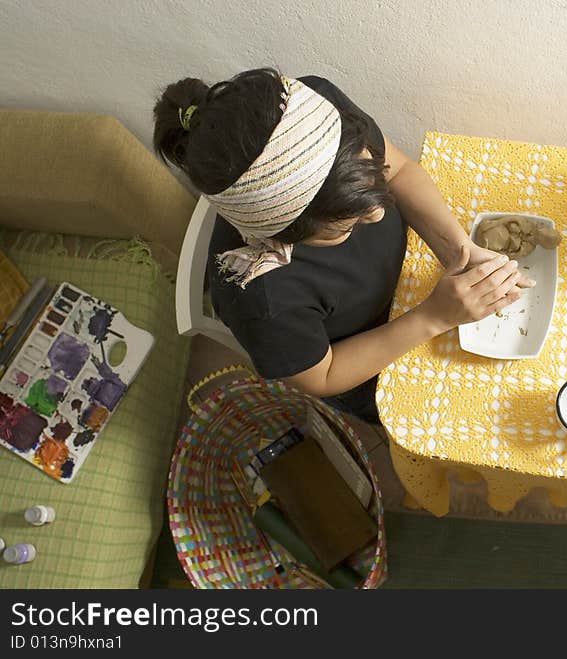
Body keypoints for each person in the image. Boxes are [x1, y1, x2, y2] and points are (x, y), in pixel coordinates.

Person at [153, 68, 533, 423]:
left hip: (418, 294)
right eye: (346, 224)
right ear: (286, 234)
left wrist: (456, 248)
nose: (379, 215)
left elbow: (399, 170)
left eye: (370, 181)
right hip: (359, 357)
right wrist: (433, 317)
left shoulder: (317, 111)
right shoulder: (259, 296)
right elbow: (324, 375)